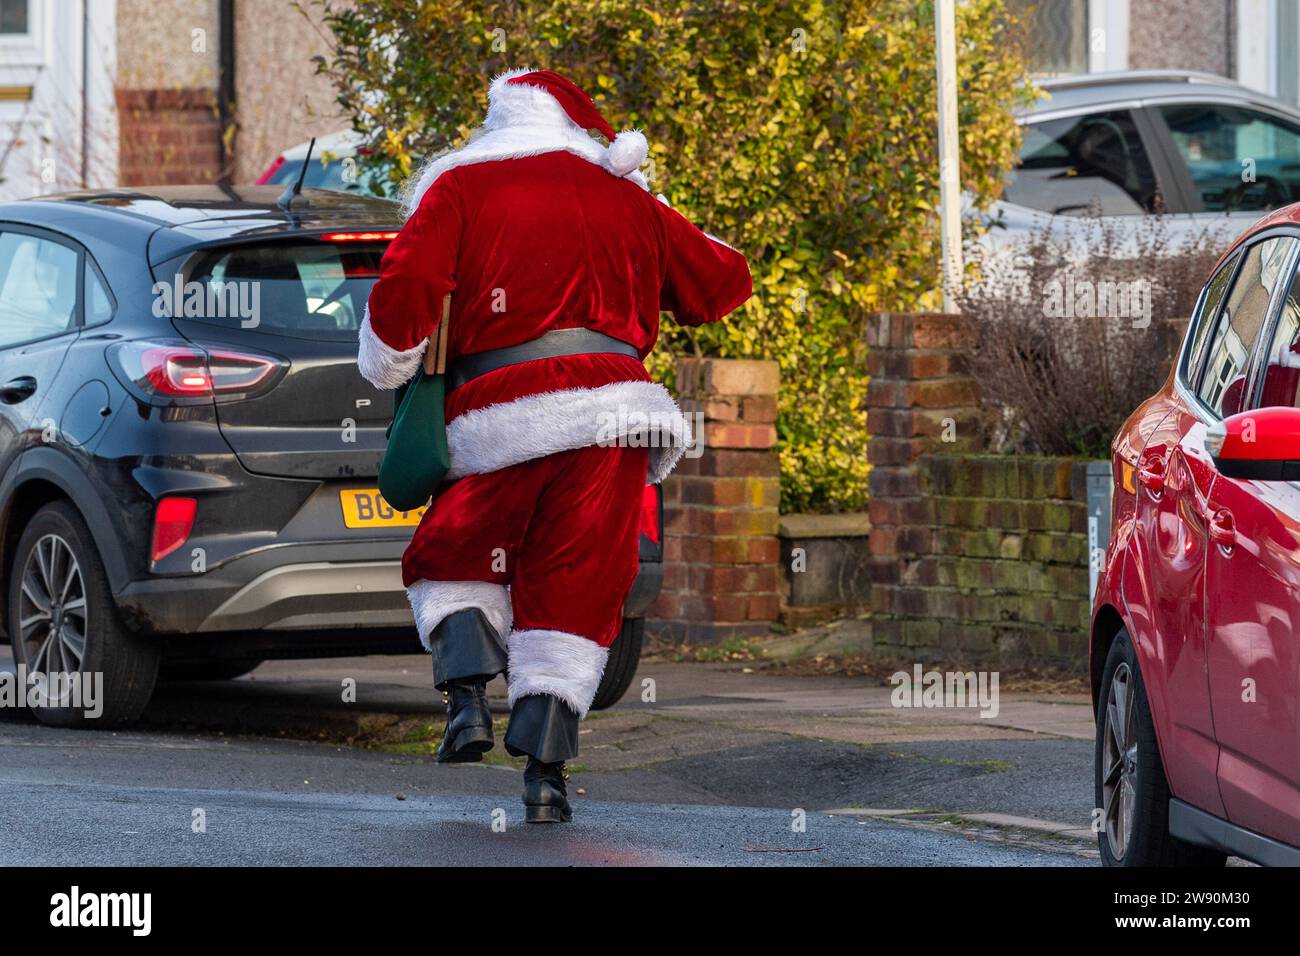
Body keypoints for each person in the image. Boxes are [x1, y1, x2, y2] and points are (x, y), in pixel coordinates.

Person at [358, 68, 751, 822]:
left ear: (497, 121)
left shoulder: (462, 187)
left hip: (502, 412)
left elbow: (404, 293)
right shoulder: (625, 196)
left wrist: (391, 361)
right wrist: (653, 206)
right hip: (614, 419)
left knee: (459, 548)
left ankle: (467, 701)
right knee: (577, 582)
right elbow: (722, 281)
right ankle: (545, 779)